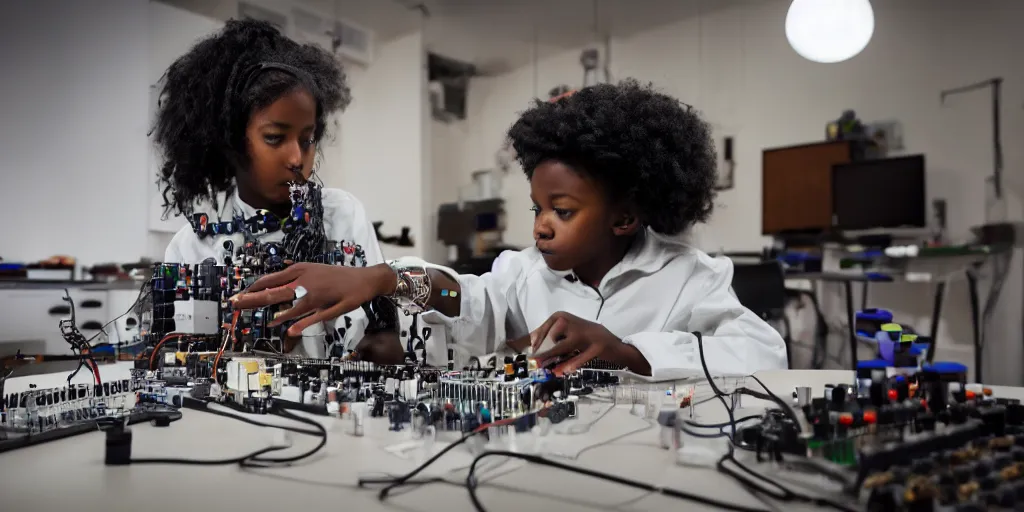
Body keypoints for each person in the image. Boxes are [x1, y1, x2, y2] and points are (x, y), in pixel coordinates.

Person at [230, 79, 788, 379]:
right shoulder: (523, 273)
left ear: (624, 217)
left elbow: (764, 354)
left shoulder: (688, 275)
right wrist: (384, 280)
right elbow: (468, 300)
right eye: (537, 209)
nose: (542, 227)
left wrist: (628, 351)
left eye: (562, 211)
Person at [154, 19, 395, 359]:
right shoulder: (192, 249)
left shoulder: (343, 216)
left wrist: (383, 341)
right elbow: (178, 359)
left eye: (307, 139)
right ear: (232, 142)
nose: (297, 158)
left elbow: (380, 325)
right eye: (274, 138)